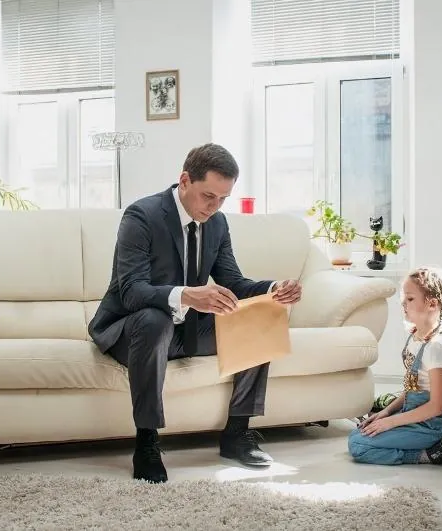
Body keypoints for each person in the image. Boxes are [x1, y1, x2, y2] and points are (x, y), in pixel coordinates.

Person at [88, 143, 302, 483]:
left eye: (223, 199)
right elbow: (131, 291)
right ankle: (147, 442)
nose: (214, 207)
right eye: (208, 196)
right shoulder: (142, 216)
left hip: (185, 331)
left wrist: (275, 289)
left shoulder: (217, 223)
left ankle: (236, 435)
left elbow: (234, 282)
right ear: (185, 180)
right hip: (133, 330)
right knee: (154, 319)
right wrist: (187, 295)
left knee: (257, 316)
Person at [348, 266, 442, 466]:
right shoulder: (415, 337)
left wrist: (390, 422)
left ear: (432, 303)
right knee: (358, 433)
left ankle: (432, 453)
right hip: (416, 417)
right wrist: (385, 413)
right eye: (403, 298)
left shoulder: (437, 347)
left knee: (359, 445)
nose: (403, 303)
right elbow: (412, 389)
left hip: (434, 426)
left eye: (409, 299)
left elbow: (437, 406)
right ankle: (424, 444)